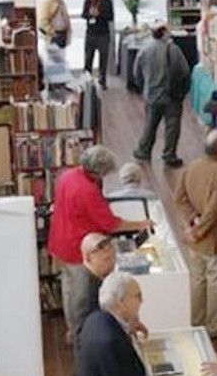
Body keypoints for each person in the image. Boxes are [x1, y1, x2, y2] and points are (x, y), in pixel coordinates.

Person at [47, 145, 149, 345]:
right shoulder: (87, 190)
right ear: (98, 172)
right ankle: (79, 339)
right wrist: (141, 224)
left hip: (60, 241)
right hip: (79, 250)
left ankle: (72, 331)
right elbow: (111, 223)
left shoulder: (67, 175)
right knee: (82, 298)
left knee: (69, 291)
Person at [174, 130, 217, 340]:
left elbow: (179, 198)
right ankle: (215, 327)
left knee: (198, 281)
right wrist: (198, 230)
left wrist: (192, 220)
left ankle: (197, 321)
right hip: (216, 239)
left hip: (196, 241)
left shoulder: (192, 166)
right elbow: (214, 210)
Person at [132, 20, 191, 168]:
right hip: (172, 96)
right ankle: (169, 155)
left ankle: (143, 151)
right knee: (172, 126)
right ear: (164, 32)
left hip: (151, 95)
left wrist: (144, 88)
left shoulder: (144, 50)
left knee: (150, 124)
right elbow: (184, 72)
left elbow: (136, 74)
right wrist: (183, 92)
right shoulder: (174, 49)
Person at [82, 0, 114, 88]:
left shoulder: (107, 2)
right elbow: (83, 14)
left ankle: (102, 80)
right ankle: (87, 80)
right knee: (88, 58)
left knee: (103, 58)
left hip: (103, 35)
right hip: (90, 34)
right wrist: (89, 14)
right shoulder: (88, 0)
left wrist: (99, 14)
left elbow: (110, 17)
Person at [38, 0, 70, 65]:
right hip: (54, 35)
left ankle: (61, 77)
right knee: (54, 61)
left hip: (62, 33)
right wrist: (52, 32)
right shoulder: (47, 1)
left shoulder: (60, 1)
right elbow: (43, 20)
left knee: (61, 58)